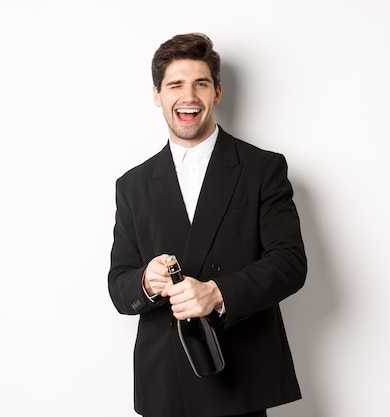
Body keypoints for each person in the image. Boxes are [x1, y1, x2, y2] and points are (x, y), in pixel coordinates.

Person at [108, 32, 307, 417]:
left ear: (216, 92)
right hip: (165, 383)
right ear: (157, 95)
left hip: (239, 378)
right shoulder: (131, 185)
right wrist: (146, 282)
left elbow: (290, 264)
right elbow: (119, 287)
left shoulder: (262, 169)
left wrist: (216, 293)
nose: (188, 96)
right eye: (175, 85)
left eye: (200, 83)